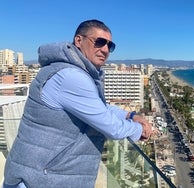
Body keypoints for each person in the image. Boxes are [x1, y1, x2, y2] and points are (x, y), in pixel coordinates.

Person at [4, 19, 153, 188]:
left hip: (43, 175)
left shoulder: (72, 71)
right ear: (78, 41)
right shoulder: (71, 77)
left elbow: (99, 107)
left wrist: (131, 115)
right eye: (99, 42)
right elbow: (113, 128)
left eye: (109, 46)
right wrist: (140, 129)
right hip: (39, 179)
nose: (105, 49)